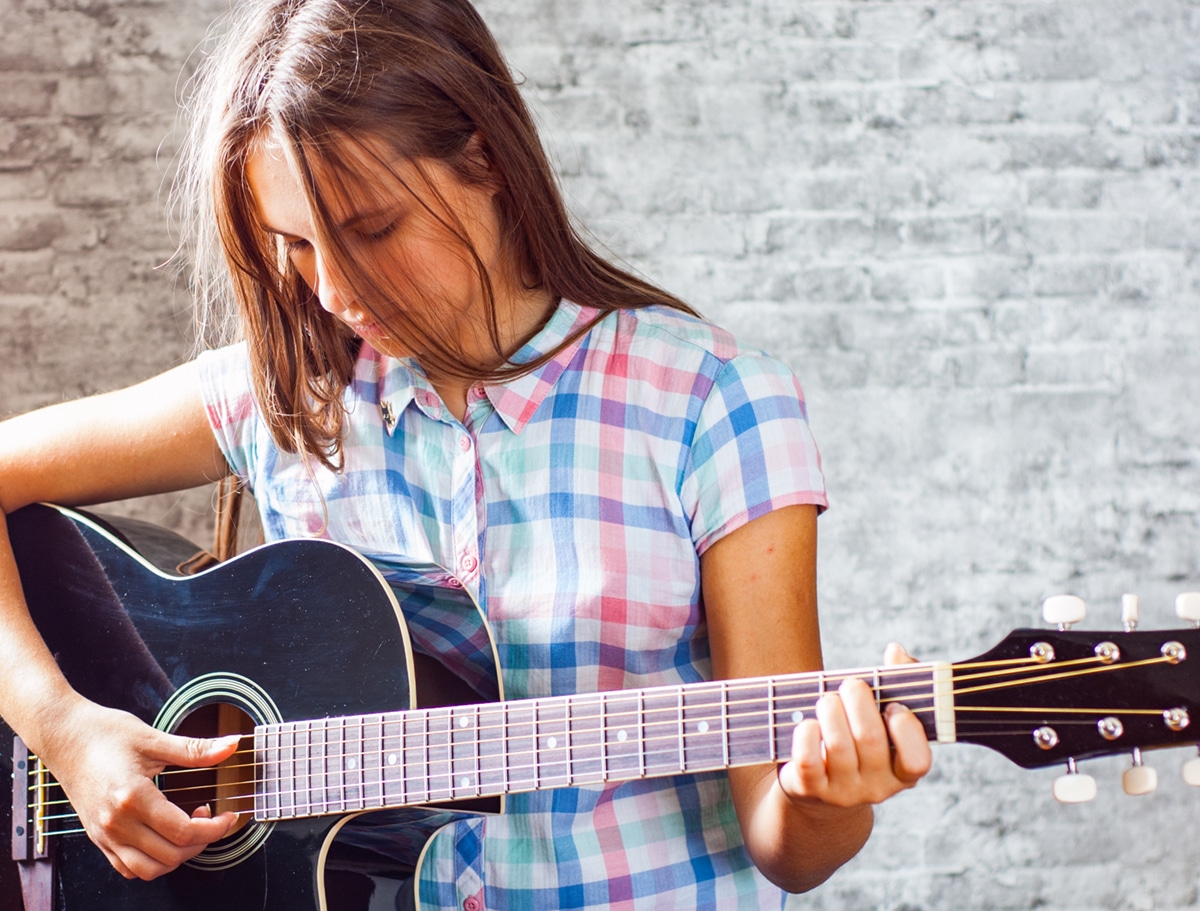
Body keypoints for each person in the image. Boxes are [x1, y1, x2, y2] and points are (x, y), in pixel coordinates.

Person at [0, 0, 932, 907]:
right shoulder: (285, 393)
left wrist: (822, 793)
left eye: (370, 231)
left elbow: (789, 848)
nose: (332, 290)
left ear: (483, 154)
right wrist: (62, 726)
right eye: (295, 246)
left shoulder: (713, 403)